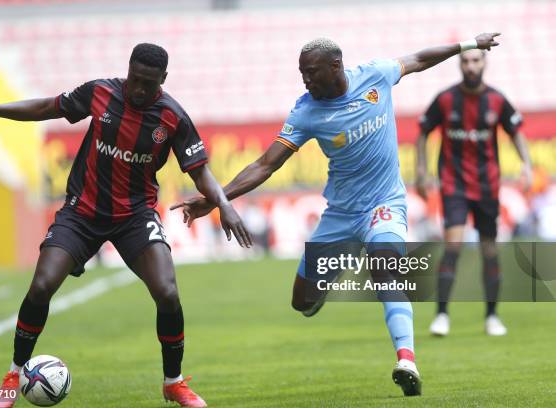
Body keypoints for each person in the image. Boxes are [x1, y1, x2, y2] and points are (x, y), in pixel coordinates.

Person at [172, 33, 502, 397]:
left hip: (385, 203)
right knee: (302, 302)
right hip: (341, 215)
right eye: (302, 74)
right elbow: (266, 164)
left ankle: (406, 359)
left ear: (335, 67)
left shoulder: (375, 76)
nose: (306, 80)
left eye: (311, 73)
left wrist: (470, 44)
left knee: (386, 271)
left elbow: (420, 59)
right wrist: (219, 198)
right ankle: (324, 288)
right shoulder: (306, 111)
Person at [0, 43, 252, 408]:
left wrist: (225, 206)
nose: (140, 89)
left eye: (149, 83)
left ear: (164, 80)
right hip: (82, 214)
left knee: (168, 292)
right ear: (128, 70)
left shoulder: (172, 117)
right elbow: (48, 107)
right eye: (135, 79)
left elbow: (200, 171)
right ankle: (13, 376)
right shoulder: (100, 93)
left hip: (135, 217)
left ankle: (173, 383)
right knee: (42, 285)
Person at [416, 48, 532, 337]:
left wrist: (526, 166)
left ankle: (492, 316)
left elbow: (516, 132)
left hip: (487, 187)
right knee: (453, 246)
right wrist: (421, 170)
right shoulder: (445, 99)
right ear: (460, 64)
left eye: (475, 61)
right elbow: (422, 132)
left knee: (489, 251)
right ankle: (441, 315)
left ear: (484, 63)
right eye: (466, 61)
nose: (470, 66)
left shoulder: (496, 99)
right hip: (454, 185)